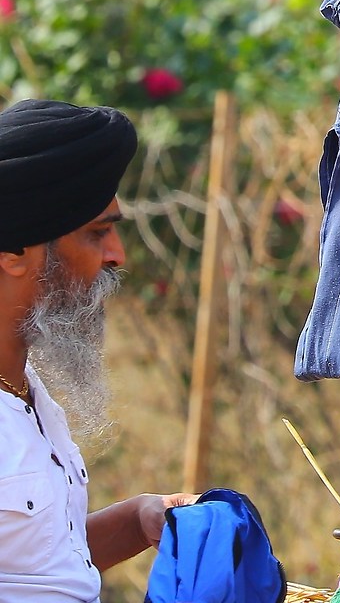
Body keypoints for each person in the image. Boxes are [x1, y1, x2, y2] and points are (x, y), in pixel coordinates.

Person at [0, 101, 197, 598]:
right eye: (97, 232)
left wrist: (137, 519)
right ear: (14, 254)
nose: (118, 255)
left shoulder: (24, 388)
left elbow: (35, 568)